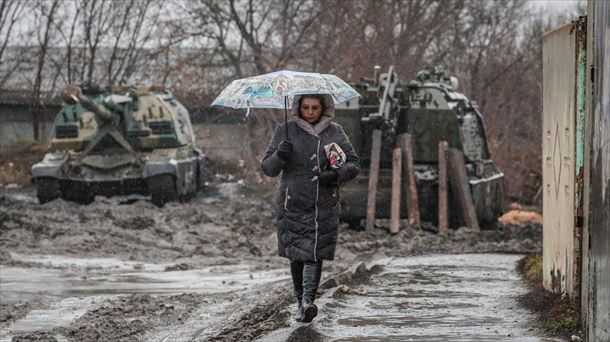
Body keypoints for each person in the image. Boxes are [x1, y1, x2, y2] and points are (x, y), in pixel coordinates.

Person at [261, 94, 360, 323]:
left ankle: (308, 302)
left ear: (324, 107)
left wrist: (335, 174)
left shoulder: (335, 131)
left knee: (315, 251)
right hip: (292, 201)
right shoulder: (285, 130)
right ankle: (300, 302)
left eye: (315, 107)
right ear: (298, 107)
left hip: (322, 201)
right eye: (306, 107)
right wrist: (279, 155)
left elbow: (353, 164)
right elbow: (268, 168)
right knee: (296, 254)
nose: (311, 112)